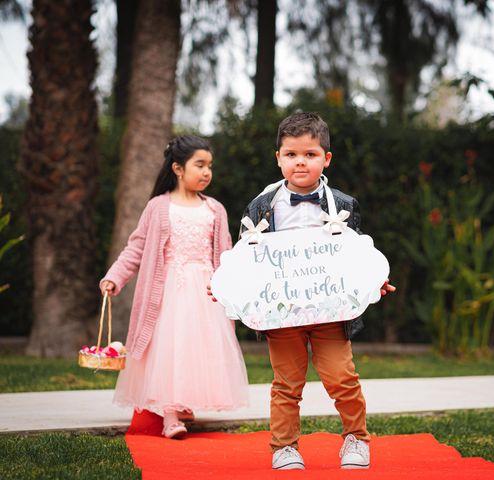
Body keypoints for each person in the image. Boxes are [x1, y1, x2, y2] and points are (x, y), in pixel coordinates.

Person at [238, 112, 395, 469]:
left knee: (342, 377)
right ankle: (284, 446)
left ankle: (356, 438)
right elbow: (246, 258)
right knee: (286, 383)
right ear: (278, 158)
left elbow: (356, 254)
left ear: (326, 159)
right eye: (291, 154)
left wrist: (372, 281)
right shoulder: (261, 206)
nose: (300, 162)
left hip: (332, 312)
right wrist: (234, 288)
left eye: (309, 154)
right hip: (282, 313)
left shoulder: (344, 204)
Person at [100, 135, 249, 439]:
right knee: (172, 348)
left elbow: (226, 253)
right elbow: (136, 247)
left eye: (210, 166)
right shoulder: (158, 207)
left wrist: (234, 285)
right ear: (179, 168)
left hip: (205, 291)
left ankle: (185, 401)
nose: (207, 172)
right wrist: (115, 276)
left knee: (198, 349)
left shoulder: (215, 210)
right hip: (168, 290)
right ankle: (170, 415)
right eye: (200, 165)